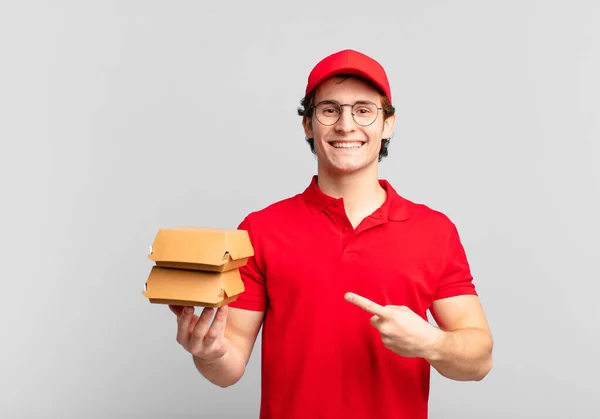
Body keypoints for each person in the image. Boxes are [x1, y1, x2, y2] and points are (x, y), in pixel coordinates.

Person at [169, 49, 493, 419]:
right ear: (308, 125)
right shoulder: (261, 229)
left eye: (364, 110)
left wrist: (431, 342)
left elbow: (479, 359)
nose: (346, 125)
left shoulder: (434, 231)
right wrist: (208, 353)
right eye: (329, 110)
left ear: (388, 124)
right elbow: (230, 363)